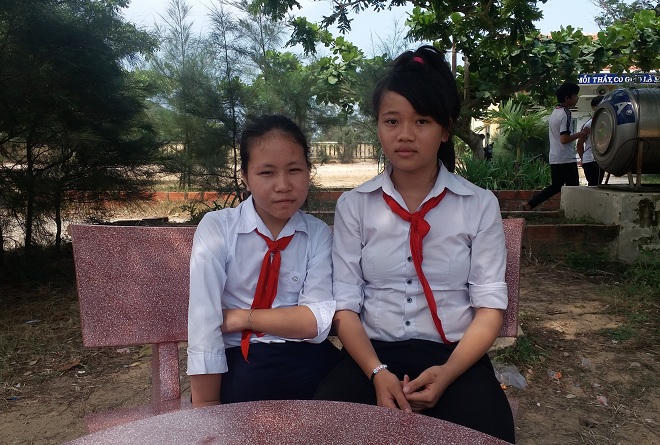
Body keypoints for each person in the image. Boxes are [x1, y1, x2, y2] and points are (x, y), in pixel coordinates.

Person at [315, 46, 515, 443]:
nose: (405, 134)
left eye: (421, 121)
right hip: (370, 357)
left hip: (455, 358)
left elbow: (490, 308)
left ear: (445, 129)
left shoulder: (478, 205)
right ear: (378, 126)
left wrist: (449, 373)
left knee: (491, 434)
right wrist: (377, 372)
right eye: (392, 121)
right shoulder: (355, 206)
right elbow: (345, 307)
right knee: (320, 431)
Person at [187, 115, 339, 407]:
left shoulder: (317, 233)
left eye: (294, 170)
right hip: (240, 358)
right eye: (267, 172)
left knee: (354, 397)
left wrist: (242, 317)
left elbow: (314, 321)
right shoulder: (218, 228)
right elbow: (205, 324)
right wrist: (206, 408)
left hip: (304, 356)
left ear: (308, 171)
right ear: (245, 176)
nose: (283, 185)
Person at [524, 82, 590, 210]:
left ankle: (530, 204)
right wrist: (581, 133)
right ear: (567, 98)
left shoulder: (555, 112)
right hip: (566, 157)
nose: (577, 98)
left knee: (556, 186)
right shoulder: (566, 113)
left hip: (555, 157)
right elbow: (564, 139)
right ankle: (572, 212)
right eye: (575, 96)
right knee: (573, 188)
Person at [577, 96, 605, 186]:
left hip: (597, 160)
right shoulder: (589, 124)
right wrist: (583, 159)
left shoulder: (605, 122)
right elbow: (579, 144)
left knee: (596, 185)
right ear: (594, 107)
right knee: (594, 185)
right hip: (591, 160)